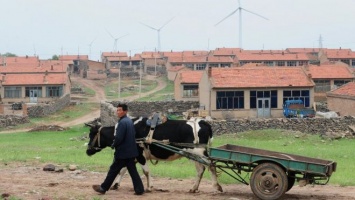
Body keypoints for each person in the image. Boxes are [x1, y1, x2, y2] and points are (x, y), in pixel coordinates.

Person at [92, 103, 144, 195]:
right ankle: (139, 190)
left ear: (125, 111)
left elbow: (119, 138)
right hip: (131, 152)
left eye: (120, 110)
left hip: (123, 153)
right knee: (133, 171)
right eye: (117, 110)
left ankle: (103, 188)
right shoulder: (129, 121)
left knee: (113, 170)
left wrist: (113, 145)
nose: (118, 112)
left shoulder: (122, 123)